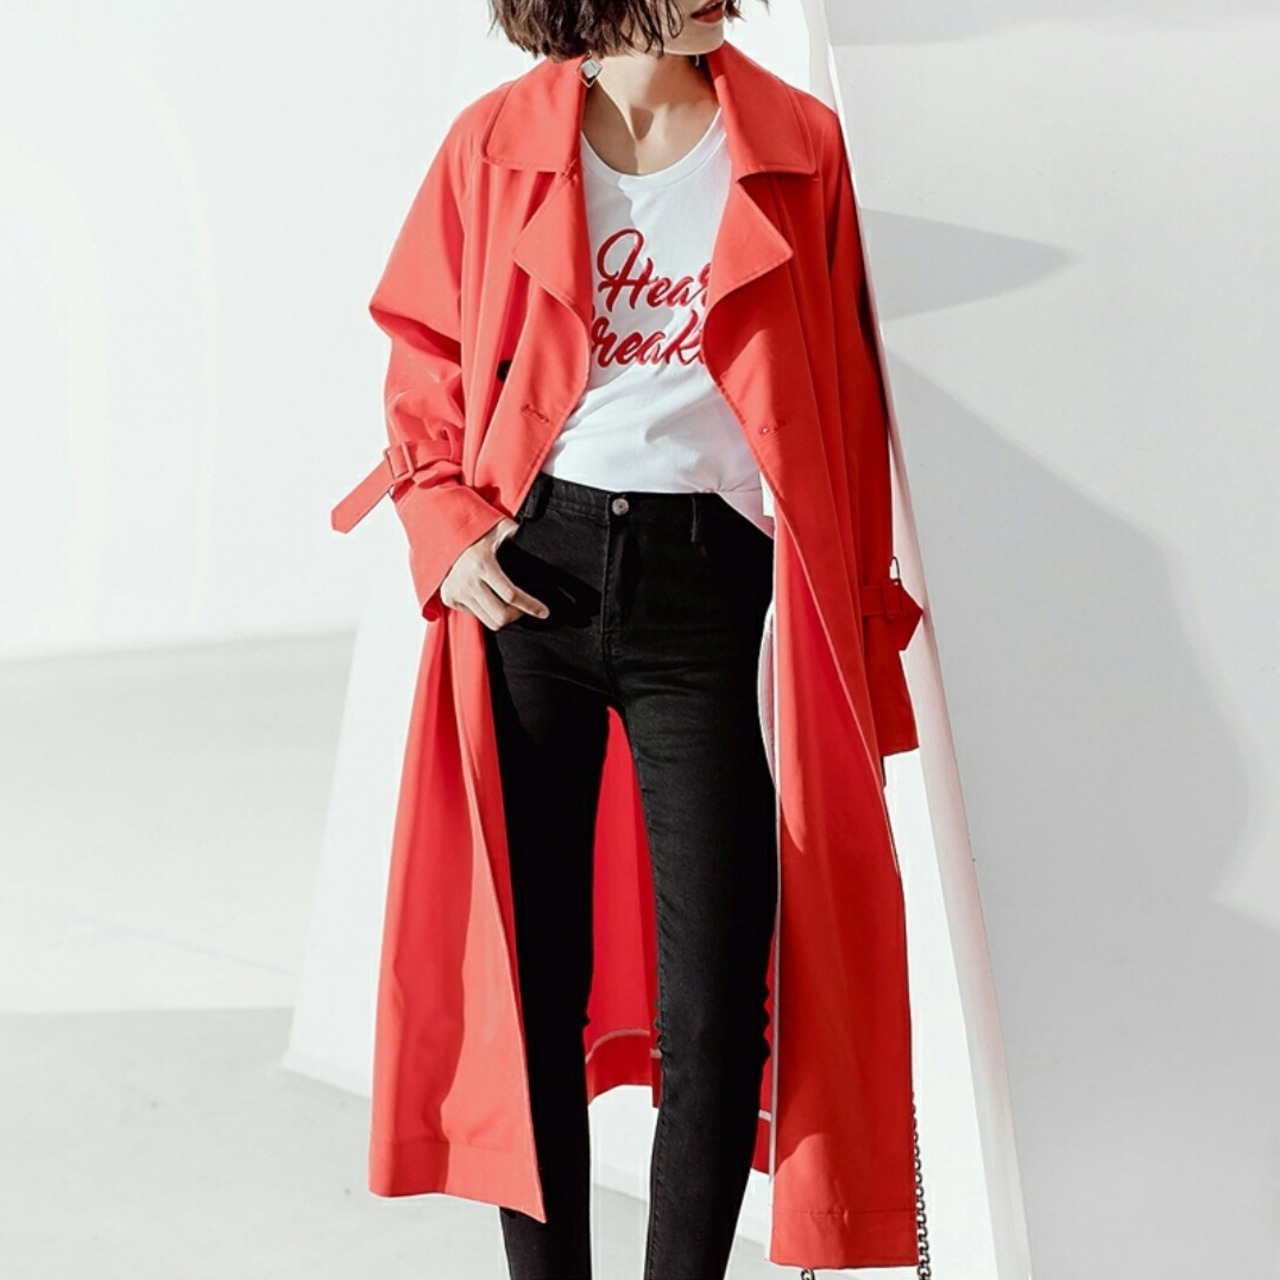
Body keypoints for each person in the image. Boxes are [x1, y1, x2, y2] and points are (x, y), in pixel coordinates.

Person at [331, 1, 927, 1276]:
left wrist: (860, 629)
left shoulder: (797, 146)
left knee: (715, 1006)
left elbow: (848, 411)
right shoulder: (493, 142)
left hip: (712, 594)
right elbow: (422, 352)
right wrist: (445, 527)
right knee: (531, 984)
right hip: (531, 580)